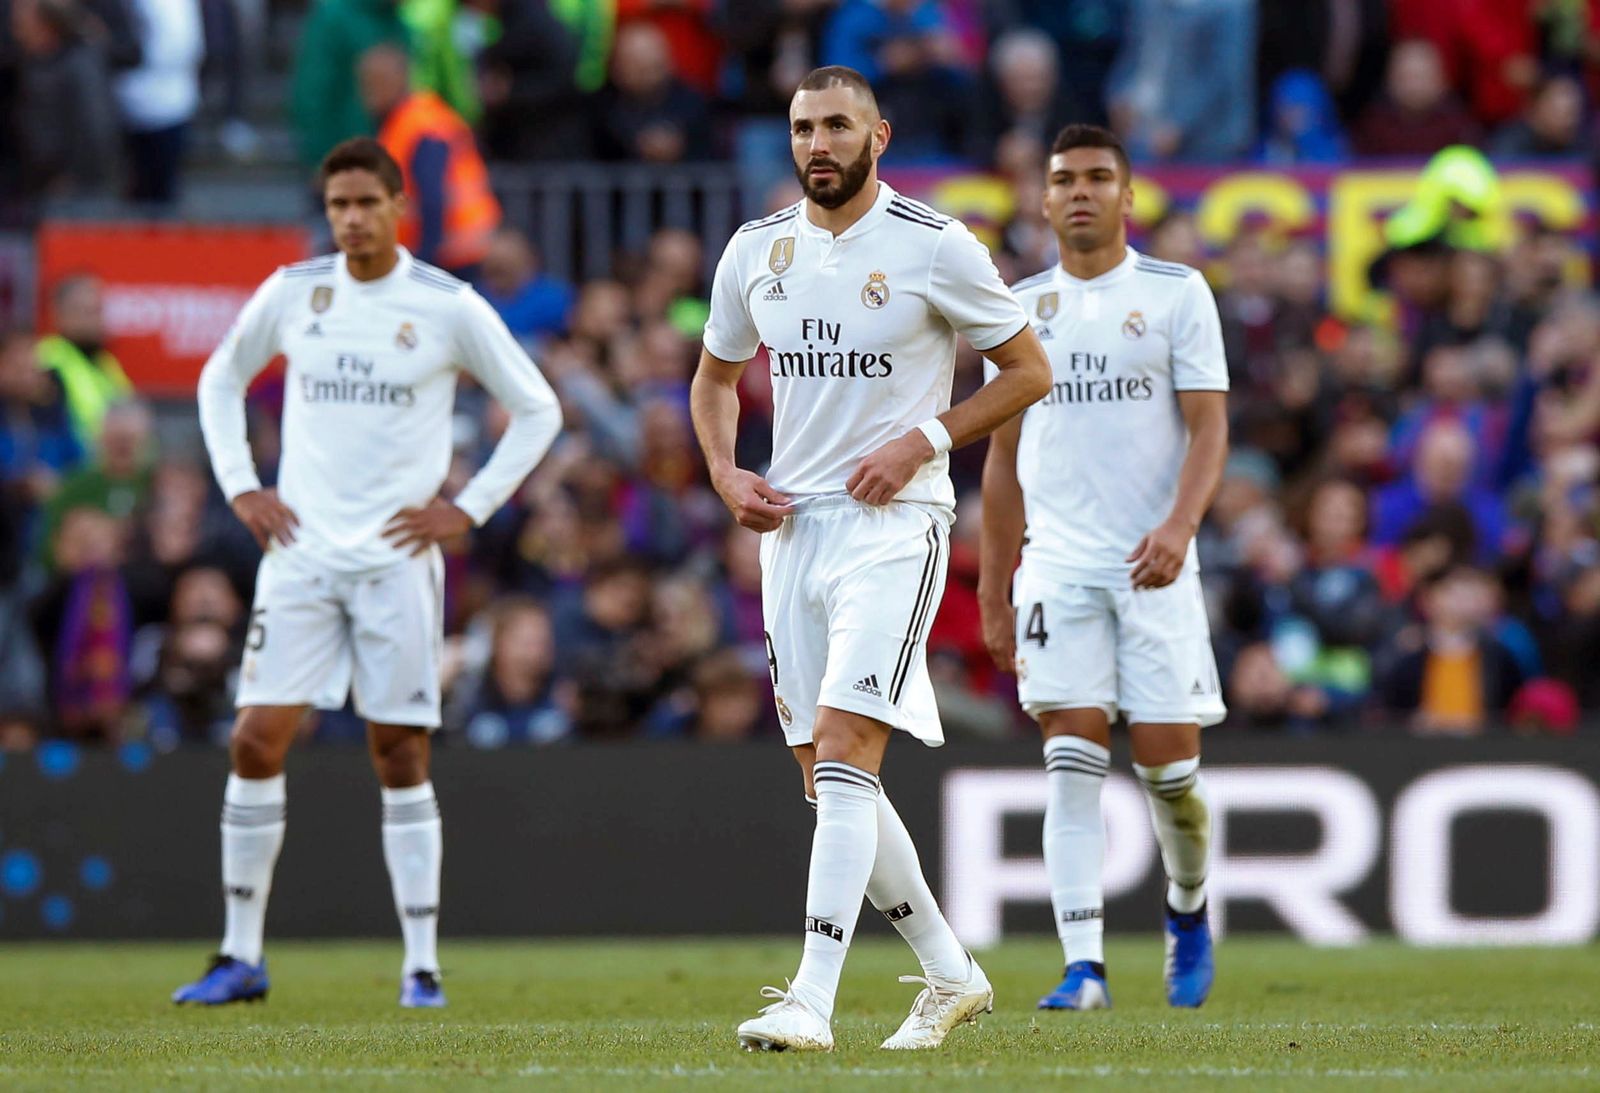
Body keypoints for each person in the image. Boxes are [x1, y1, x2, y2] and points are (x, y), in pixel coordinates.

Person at [692, 65, 1050, 1051]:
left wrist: (924, 441)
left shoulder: (937, 249)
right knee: (826, 778)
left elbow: (1027, 370)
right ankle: (949, 973)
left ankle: (811, 995)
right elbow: (714, 376)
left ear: (878, 136)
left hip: (898, 528)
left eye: (838, 126)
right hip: (792, 531)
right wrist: (726, 473)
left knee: (849, 750)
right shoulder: (756, 251)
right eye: (805, 127)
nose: (819, 144)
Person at [177, 137, 562, 1008]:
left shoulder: (444, 304)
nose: (351, 219)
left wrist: (469, 508)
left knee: (398, 753)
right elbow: (218, 380)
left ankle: (420, 964)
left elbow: (538, 408)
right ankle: (241, 955)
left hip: (396, 562)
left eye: (365, 203)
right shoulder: (294, 292)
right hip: (301, 557)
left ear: (398, 207)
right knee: (253, 739)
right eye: (337, 205)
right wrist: (243, 487)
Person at [978, 124, 1228, 1012]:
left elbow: (1209, 426)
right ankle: (1084, 965)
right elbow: (1001, 462)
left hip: (1156, 567)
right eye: (1063, 180)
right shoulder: (1016, 308)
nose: (1079, 192)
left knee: (1171, 780)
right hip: (1059, 570)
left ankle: (1189, 909)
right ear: (1042, 201)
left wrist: (1179, 527)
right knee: (1069, 762)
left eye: (1097, 178)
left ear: (1128, 197)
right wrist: (993, 586)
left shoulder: (1174, 293)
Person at [361, 43, 502, 280]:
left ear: (402, 78)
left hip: (452, 254)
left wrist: (422, 265)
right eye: (367, 83)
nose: (371, 92)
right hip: (448, 252)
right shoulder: (403, 123)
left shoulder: (420, 125)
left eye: (379, 81)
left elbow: (432, 198)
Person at [37, 274, 132, 453]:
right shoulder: (48, 359)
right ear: (61, 314)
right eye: (88, 311)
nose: (98, 320)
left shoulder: (107, 363)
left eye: (99, 311)